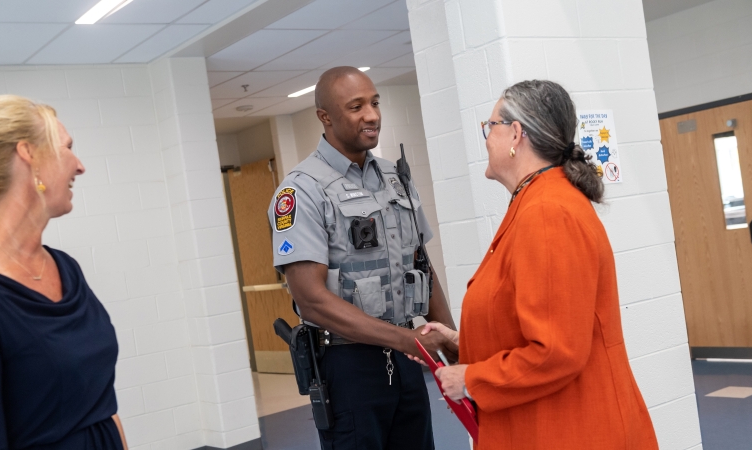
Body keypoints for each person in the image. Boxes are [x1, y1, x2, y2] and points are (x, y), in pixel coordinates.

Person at [418, 80, 658, 449]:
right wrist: (461, 344)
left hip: (570, 430)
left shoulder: (547, 212)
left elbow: (555, 351)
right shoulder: (535, 202)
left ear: (516, 134)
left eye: (490, 127)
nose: (485, 139)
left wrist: (471, 380)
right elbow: (530, 324)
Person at [270, 66, 458, 450]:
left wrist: (454, 346)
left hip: (407, 361)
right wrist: (405, 340)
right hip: (348, 366)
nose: (371, 115)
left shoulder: (395, 178)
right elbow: (311, 299)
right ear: (326, 116)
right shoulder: (301, 191)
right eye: (356, 106)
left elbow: (421, 264)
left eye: (374, 102)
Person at [0, 95, 128, 450]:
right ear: (28, 154)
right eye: (67, 148)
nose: (80, 166)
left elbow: (102, 403)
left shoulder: (66, 268)